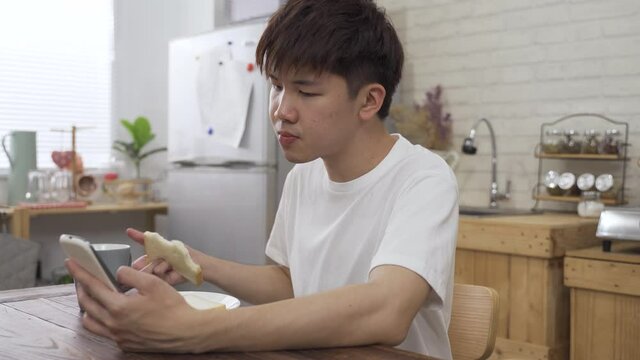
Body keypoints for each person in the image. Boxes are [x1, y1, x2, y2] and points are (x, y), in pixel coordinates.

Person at [65, 0, 458, 358]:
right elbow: (293, 284)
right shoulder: (304, 176)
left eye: (305, 91)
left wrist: (198, 329)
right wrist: (199, 264)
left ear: (369, 101)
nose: (281, 110)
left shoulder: (422, 178)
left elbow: (386, 311)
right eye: (276, 86)